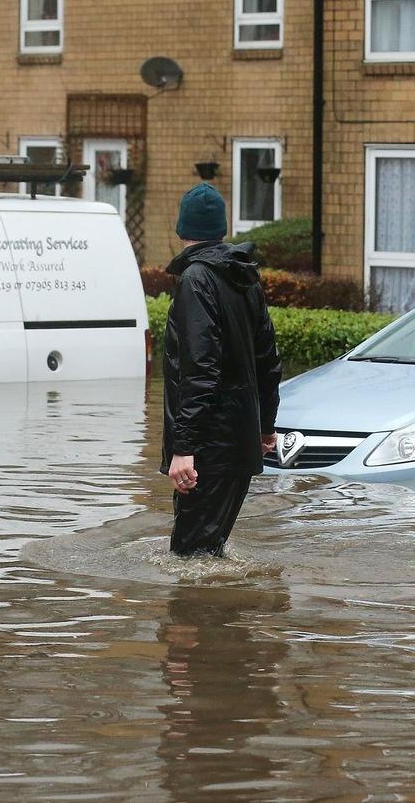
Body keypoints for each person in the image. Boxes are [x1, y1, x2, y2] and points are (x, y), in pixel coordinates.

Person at [160, 183, 282, 557]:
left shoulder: (197, 280)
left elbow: (200, 370)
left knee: (189, 560)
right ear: (221, 230)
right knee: (210, 552)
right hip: (239, 445)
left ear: (182, 230)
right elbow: (269, 360)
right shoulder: (243, 279)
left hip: (207, 452)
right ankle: (228, 613)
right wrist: (264, 427)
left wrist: (183, 449)